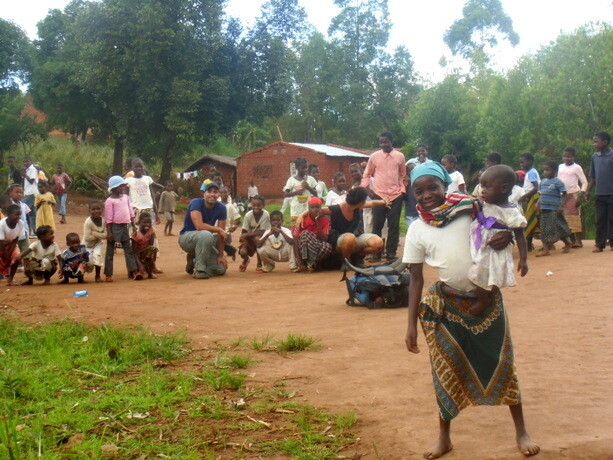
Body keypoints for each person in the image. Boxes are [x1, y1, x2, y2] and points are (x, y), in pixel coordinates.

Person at [403, 162, 539, 459]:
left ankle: (521, 431)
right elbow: (415, 278)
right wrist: (410, 324)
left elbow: (503, 223)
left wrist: (504, 237)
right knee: (444, 371)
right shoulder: (416, 228)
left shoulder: (471, 209)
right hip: (446, 307)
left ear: (445, 186)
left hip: (487, 300)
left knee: (503, 363)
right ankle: (444, 437)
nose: (426, 195)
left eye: (432, 187)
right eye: (419, 191)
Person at [468, 165, 529, 312]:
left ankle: (484, 300)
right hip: (481, 246)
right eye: (481, 186)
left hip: (493, 251)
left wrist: (523, 259)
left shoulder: (511, 212)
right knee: (478, 271)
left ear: (504, 189)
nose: (482, 191)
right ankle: (482, 292)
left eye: (487, 187)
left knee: (483, 272)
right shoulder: (486, 203)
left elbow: (520, 236)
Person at [297, 187, 386, 267]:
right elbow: (315, 210)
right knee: (349, 238)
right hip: (340, 240)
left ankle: (357, 256)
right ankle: (346, 261)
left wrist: (384, 202)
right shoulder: (336, 209)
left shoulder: (357, 207)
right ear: (360, 202)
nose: (364, 203)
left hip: (355, 237)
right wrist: (301, 215)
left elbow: (372, 203)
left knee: (378, 243)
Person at [360, 132, 405, 261]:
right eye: (381, 142)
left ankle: (391, 253)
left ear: (391, 141)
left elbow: (402, 175)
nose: (383, 144)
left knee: (394, 225)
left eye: (386, 142)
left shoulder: (400, 156)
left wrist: (402, 191)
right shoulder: (374, 156)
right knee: (377, 225)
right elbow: (366, 174)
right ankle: (376, 253)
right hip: (378, 195)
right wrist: (368, 190)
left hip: (396, 195)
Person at [178, 182, 227, 279]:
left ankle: (194, 260)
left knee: (220, 269)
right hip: (187, 238)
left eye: (215, 192)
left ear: (218, 195)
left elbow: (222, 235)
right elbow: (199, 226)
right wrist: (218, 229)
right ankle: (199, 270)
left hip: (204, 241)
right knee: (206, 235)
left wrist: (221, 255)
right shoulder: (196, 202)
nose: (212, 194)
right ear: (204, 194)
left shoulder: (222, 208)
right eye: (209, 191)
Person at [104, 176, 138, 282]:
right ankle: (108, 274)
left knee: (128, 250)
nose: (123, 188)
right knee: (110, 252)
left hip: (124, 227)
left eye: (123, 186)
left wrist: (133, 225)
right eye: (121, 186)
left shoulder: (126, 197)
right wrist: (109, 232)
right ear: (114, 188)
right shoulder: (109, 201)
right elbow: (108, 218)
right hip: (114, 227)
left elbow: (131, 212)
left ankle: (134, 271)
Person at [536, 161, 572, 257]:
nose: (545, 172)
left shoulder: (558, 182)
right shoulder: (542, 182)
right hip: (544, 209)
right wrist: (537, 204)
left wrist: (561, 206)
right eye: (545, 170)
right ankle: (546, 250)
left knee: (557, 228)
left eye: (548, 170)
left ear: (554, 171)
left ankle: (567, 243)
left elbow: (564, 194)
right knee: (544, 229)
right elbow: (541, 195)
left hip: (554, 209)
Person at [585, 132, 613, 252]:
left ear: (605, 142)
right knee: (600, 219)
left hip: (611, 192)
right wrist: (588, 191)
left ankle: (612, 242)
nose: (594, 144)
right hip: (599, 193)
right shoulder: (594, 157)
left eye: (596, 141)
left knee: (612, 218)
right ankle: (599, 244)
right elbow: (593, 177)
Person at [557, 147, 588, 247]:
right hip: (562, 195)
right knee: (564, 218)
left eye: (569, 157)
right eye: (565, 156)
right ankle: (572, 240)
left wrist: (581, 195)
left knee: (574, 217)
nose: (566, 158)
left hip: (573, 194)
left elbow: (584, 182)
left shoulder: (576, 167)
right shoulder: (560, 166)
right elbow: (558, 180)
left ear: (573, 157)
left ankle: (578, 241)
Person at [293, 197, 333, 272]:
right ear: (309, 209)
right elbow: (295, 241)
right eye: (312, 207)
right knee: (305, 233)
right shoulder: (302, 220)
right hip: (304, 248)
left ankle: (313, 264)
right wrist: (300, 263)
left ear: (321, 208)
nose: (315, 209)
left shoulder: (325, 219)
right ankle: (304, 263)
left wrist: (317, 221)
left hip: (316, 244)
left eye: (317, 207)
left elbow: (324, 238)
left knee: (327, 247)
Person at [124, 158, 164, 224]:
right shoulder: (128, 181)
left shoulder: (148, 179)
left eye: (141, 166)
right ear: (132, 168)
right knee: (136, 231)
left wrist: (156, 214)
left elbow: (153, 196)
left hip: (149, 210)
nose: (139, 168)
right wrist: (128, 214)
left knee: (150, 231)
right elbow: (126, 199)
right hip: (135, 211)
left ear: (144, 167)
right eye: (136, 167)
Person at [238, 195, 270, 273]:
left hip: (259, 238)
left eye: (259, 205)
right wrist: (245, 239)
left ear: (263, 205)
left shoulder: (266, 215)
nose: (256, 207)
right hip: (248, 238)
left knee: (257, 239)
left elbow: (262, 231)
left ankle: (259, 264)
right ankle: (246, 260)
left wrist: (247, 235)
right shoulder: (248, 215)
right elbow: (244, 232)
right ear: (251, 205)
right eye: (254, 205)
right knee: (243, 252)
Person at [283, 157, 318, 222]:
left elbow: (316, 194)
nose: (305, 170)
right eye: (302, 168)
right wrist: (296, 192)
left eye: (306, 167)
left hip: (308, 209)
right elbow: (285, 194)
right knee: (297, 228)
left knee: (308, 227)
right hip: (296, 210)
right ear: (297, 168)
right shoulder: (291, 180)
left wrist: (308, 187)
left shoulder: (310, 179)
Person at [518, 153, 540, 251]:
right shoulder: (529, 172)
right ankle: (529, 244)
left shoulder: (531, 172)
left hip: (534, 198)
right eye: (520, 162)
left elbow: (535, 188)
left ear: (530, 162)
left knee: (530, 221)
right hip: (530, 198)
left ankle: (528, 244)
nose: (521, 164)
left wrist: (524, 196)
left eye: (523, 162)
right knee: (531, 221)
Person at [83, 200, 106, 283]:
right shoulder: (88, 222)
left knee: (98, 256)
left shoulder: (103, 221)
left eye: (98, 209)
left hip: (97, 243)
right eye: (93, 209)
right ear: (89, 211)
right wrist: (100, 235)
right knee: (89, 262)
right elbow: (88, 237)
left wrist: (94, 233)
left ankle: (97, 276)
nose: (96, 211)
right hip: (87, 244)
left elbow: (106, 235)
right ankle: (81, 276)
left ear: (102, 209)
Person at [0, 204, 24, 285]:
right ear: (8, 214)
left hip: (11, 244)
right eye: (16, 214)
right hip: (1, 245)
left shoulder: (20, 224)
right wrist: (6, 256)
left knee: (17, 257)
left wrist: (9, 254)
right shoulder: (2, 224)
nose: (19, 217)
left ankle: (10, 279)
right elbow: (1, 243)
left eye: (20, 215)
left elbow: (15, 241)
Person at [131, 212, 158, 280]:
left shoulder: (151, 230)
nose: (147, 225)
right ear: (139, 222)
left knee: (153, 249)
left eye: (149, 222)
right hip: (137, 256)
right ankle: (137, 272)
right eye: (144, 222)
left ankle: (150, 272)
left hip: (145, 254)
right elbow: (134, 252)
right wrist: (140, 264)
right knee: (136, 267)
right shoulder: (136, 234)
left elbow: (150, 245)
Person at [8, 184, 30, 255]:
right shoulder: (9, 206)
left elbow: (27, 218)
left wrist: (28, 229)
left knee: (27, 253)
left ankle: (27, 265)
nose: (19, 194)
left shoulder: (24, 206)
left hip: (24, 232)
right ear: (10, 193)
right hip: (13, 234)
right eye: (17, 192)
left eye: (21, 193)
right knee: (14, 253)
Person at [219, 186, 240, 260]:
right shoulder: (216, 205)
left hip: (226, 229)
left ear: (228, 194)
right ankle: (231, 252)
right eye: (221, 192)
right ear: (219, 194)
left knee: (224, 244)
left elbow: (237, 217)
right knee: (220, 243)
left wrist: (234, 225)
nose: (223, 194)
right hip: (217, 228)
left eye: (225, 192)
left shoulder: (230, 206)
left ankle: (225, 254)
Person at [21, 156, 38, 236]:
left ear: (31, 161)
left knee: (22, 209)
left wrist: (25, 175)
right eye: (24, 162)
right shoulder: (27, 170)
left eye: (27, 161)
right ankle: (34, 232)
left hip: (31, 193)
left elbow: (31, 181)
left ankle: (25, 231)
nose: (25, 163)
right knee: (31, 214)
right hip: (28, 192)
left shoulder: (32, 169)